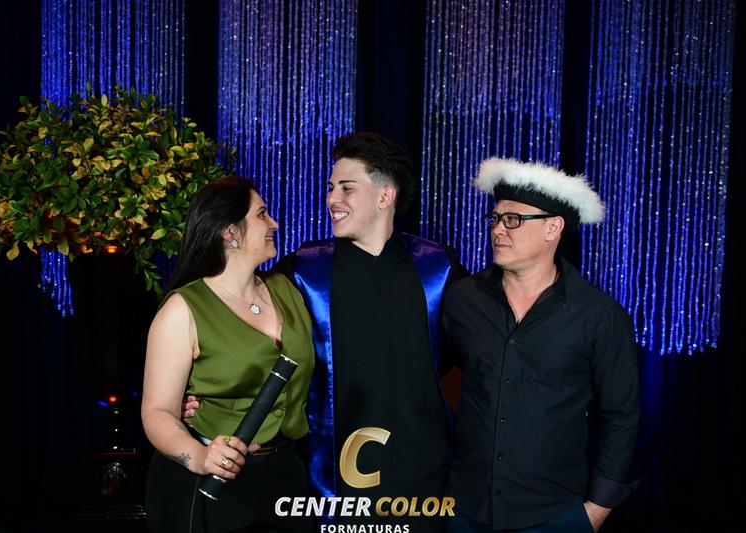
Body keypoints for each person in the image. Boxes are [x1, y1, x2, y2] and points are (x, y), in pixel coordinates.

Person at [185, 133, 464, 532]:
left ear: (386, 196)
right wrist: (197, 389)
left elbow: (476, 350)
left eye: (347, 188)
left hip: (423, 474)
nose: (332, 198)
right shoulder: (304, 271)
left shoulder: (437, 266)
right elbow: (237, 328)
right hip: (330, 474)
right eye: (331, 188)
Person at [442, 158, 640, 533]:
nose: (498, 230)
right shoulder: (463, 299)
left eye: (513, 220)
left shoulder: (599, 315)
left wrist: (597, 509)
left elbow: (621, 416)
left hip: (554, 514)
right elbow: (426, 379)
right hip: (464, 509)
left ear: (553, 228)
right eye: (495, 219)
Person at [141, 176, 315, 533]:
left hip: (288, 476)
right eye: (262, 214)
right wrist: (201, 457)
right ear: (229, 232)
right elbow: (157, 412)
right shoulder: (183, 309)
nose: (274, 223)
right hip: (216, 485)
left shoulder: (287, 289)